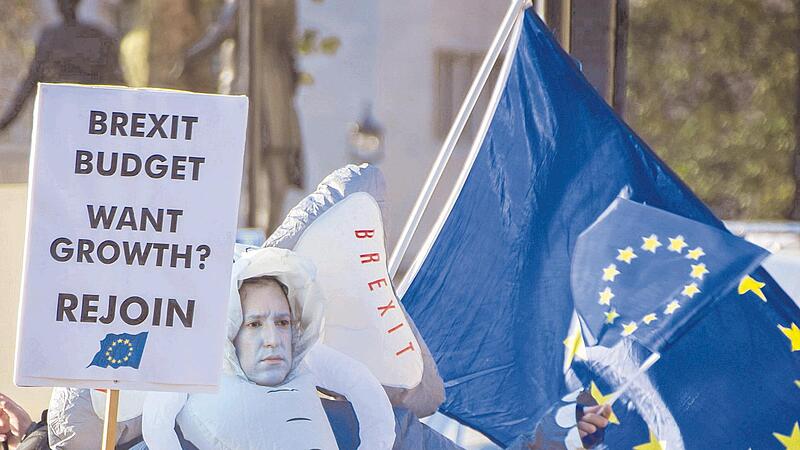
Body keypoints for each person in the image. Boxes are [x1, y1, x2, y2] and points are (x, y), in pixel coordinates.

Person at [0, 0, 123, 132]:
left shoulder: (97, 36)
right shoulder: (96, 35)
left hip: (89, 116)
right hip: (66, 114)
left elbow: (114, 81)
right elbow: (30, 80)